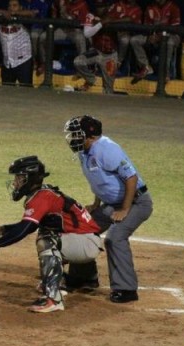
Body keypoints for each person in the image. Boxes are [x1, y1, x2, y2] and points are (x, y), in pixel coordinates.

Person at [0, 156, 104, 313]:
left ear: (30, 178)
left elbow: (24, 230)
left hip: (85, 243)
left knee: (46, 240)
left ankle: (53, 299)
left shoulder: (42, 197)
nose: (15, 182)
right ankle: (63, 281)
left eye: (19, 178)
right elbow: (29, 226)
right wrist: (1, 229)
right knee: (46, 231)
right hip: (83, 240)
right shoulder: (43, 193)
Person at [63, 115, 152, 303]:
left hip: (136, 202)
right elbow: (100, 181)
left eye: (76, 134)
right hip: (112, 204)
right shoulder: (84, 151)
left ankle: (126, 289)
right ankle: (84, 278)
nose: (72, 138)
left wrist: (125, 209)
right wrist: (96, 204)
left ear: (90, 135)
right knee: (83, 226)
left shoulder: (107, 149)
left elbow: (131, 178)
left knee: (114, 237)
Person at [72, 1, 121, 93]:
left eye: (101, 6)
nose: (99, 9)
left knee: (108, 90)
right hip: (96, 51)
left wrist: (112, 21)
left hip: (110, 56)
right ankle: (91, 79)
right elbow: (87, 33)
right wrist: (101, 23)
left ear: (106, 7)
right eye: (97, 6)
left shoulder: (113, 15)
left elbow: (129, 19)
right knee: (78, 61)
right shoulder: (90, 16)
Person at [0, 0, 37, 86]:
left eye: (14, 5)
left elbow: (32, 13)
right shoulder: (2, 19)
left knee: (27, 92)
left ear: (20, 7)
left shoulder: (24, 19)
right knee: (7, 91)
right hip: (7, 63)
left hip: (23, 62)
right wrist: (3, 12)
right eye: (10, 6)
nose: (11, 8)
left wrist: (14, 14)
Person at [130, 0, 181, 84]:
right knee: (135, 40)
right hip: (155, 36)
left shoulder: (173, 7)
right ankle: (146, 67)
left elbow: (175, 28)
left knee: (169, 43)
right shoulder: (150, 7)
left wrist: (160, 37)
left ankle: (166, 74)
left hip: (171, 36)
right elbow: (147, 26)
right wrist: (151, 35)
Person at [38, 0, 89, 75]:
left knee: (80, 39)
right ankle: (45, 63)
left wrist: (64, 12)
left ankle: (82, 69)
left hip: (76, 30)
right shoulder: (61, 1)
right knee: (43, 37)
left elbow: (81, 23)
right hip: (62, 29)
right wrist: (56, 11)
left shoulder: (82, 3)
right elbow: (54, 18)